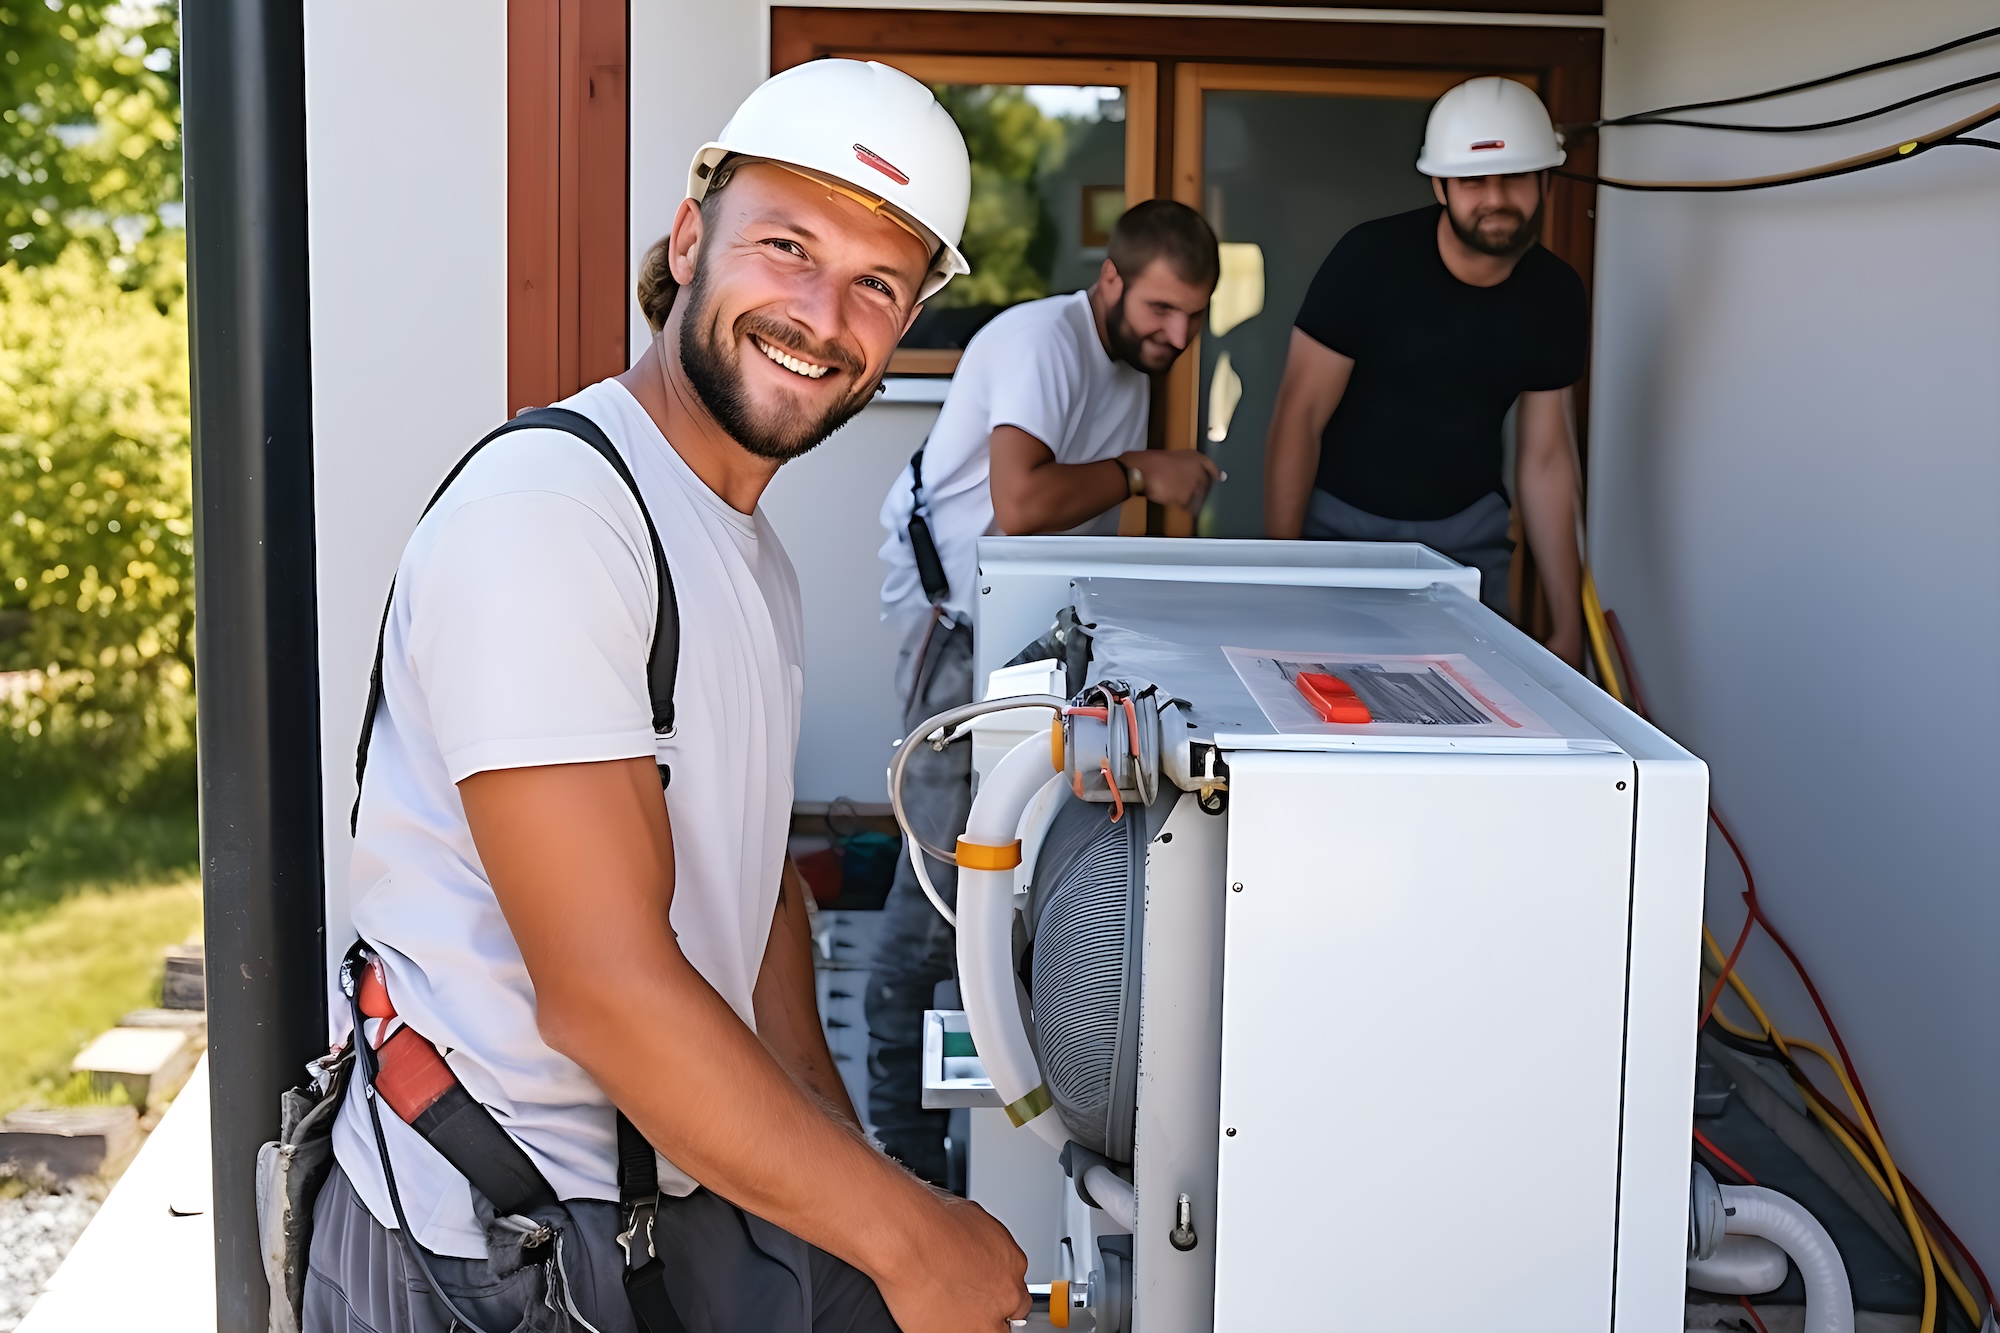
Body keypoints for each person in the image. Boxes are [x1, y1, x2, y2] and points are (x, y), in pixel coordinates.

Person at [308, 60, 1031, 1333]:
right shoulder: (556, 517)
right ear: (690, 239)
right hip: (488, 1258)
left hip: (643, 1216)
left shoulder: (741, 544)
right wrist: (912, 1242)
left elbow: (746, 900)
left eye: (877, 282)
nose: (821, 313)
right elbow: (605, 985)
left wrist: (839, 1184)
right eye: (786, 246)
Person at [869, 199, 1220, 1183]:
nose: (1175, 336)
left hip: (1030, 646)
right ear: (1109, 280)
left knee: (1019, 886)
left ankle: (997, 1142)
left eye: (1191, 318)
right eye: (1159, 309)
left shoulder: (1125, 363)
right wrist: (1146, 471)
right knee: (933, 897)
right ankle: (900, 1163)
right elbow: (1021, 501)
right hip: (959, 643)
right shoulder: (1040, 341)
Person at [1264, 76, 1589, 666]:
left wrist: (1567, 621)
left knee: (1476, 721)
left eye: (1515, 177)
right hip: (1341, 533)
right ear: (1440, 185)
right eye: (1472, 180)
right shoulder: (1367, 261)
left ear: (1545, 181)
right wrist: (1283, 572)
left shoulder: (1556, 294)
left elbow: (1546, 459)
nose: (1495, 197)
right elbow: (1298, 416)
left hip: (1469, 543)